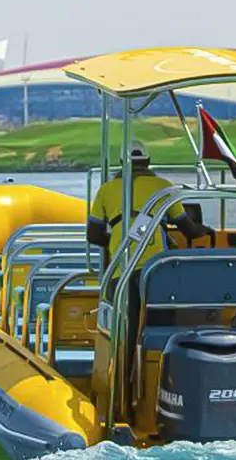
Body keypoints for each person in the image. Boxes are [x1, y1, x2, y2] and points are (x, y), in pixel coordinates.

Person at [87, 140, 212, 391]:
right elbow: (188, 229)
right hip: (156, 271)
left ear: (123, 163)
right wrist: (206, 230)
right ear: (148, 162)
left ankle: (121, 388)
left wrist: (117, 240)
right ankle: (160, 384)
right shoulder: (163, 188)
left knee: (124, 332)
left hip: (120, 270)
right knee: (160, 328)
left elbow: (93, 234)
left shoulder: (106, 189)